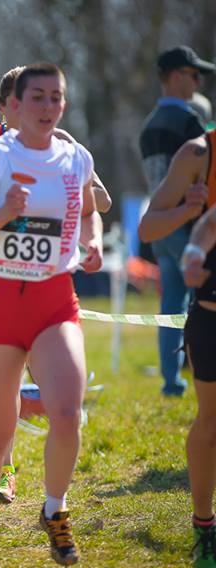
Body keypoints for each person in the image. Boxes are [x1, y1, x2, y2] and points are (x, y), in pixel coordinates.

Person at [0, 63, 103, 568]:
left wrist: (93, 242)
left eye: (56, 97)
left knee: (66, 412)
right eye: (38, 97)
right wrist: (2, 214)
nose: (48, 107)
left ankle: (55, 509)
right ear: (14, 105)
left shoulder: (75, 156)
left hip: (54, 299)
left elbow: (89, 210)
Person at [139, 127, 216, 568]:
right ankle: (204, 526)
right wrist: (187, 214)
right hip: (210, 311)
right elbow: (148, 228)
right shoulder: (199, 153)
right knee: (211, 422)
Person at [139, 45, 214, 397]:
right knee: (205, 302)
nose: (198, 83)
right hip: (190, 224)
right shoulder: (190, 123)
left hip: (159, 222)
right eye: (194, 75)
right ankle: (202, 376)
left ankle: (172, 381)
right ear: (174, 76)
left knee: (171, 305)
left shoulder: (148, 125)